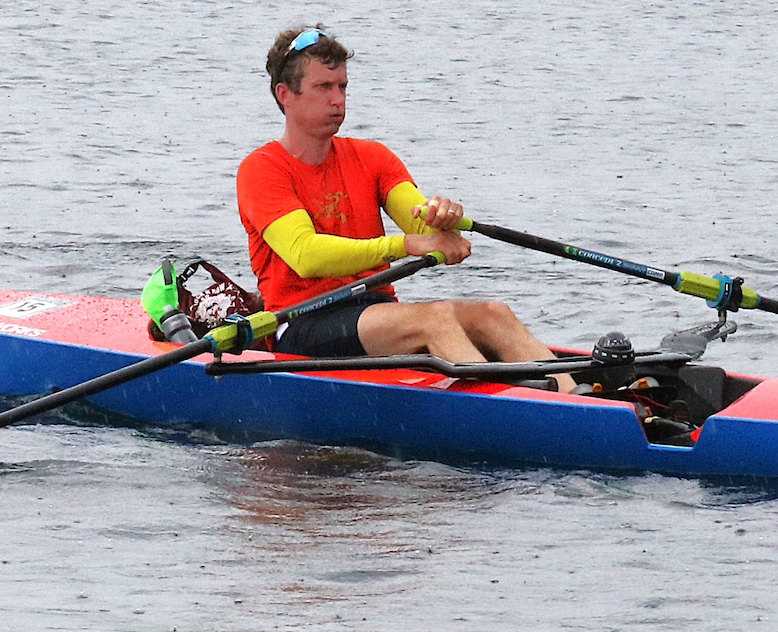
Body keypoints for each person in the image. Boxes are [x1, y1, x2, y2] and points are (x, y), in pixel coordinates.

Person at [235, 25, 577, 391]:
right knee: (435, 319)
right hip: (303, 322)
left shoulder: (373, 157)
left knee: (495, 314)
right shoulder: (262, 169)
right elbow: (306, 255)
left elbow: (421, 225)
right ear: (286, 94)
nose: (338, 99)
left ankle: (579, 400)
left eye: (343, 87)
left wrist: (441, 222)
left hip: (373, 308)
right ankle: (518, 410)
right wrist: (403, 246)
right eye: (324, 87)